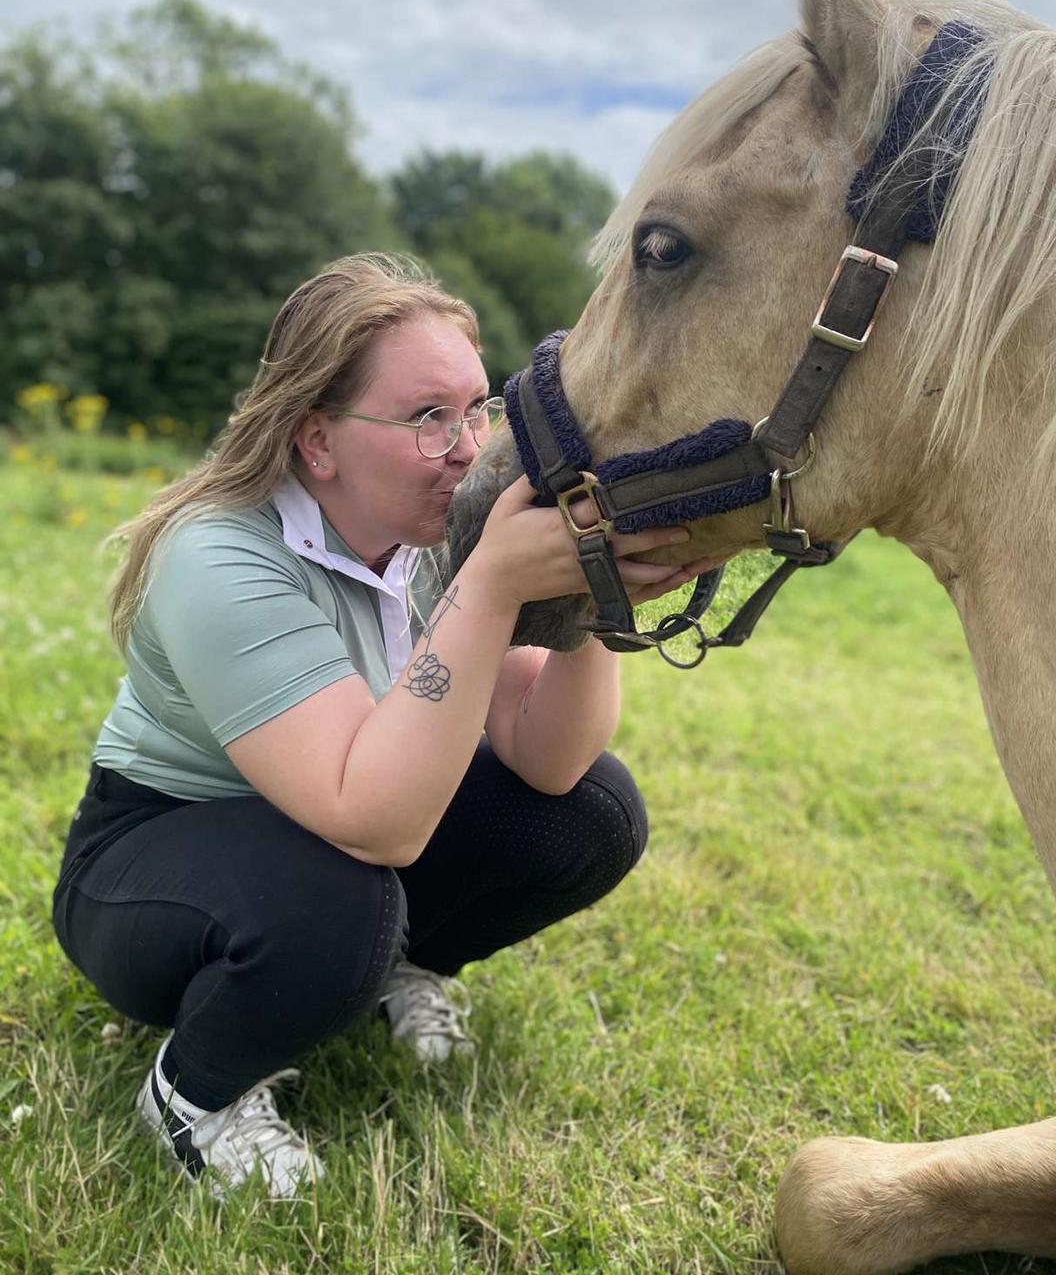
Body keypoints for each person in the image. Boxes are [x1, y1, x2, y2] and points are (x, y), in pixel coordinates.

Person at [51, 252, 722, 1200]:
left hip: (333, 831)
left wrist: (590, 604)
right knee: (342, 899)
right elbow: (377, 823)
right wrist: (492, 585)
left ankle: (392, 971)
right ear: (318, 441)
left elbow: (550, 757)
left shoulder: (433, 537)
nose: (469, 446)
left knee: (596, 812)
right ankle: (196, 1093)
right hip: (153, 856)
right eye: (426, 418)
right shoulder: (217, 554)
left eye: (477, 409)